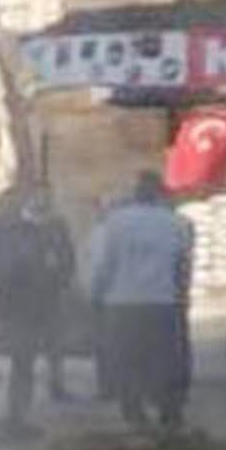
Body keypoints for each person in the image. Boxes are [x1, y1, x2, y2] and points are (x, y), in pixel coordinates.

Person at [89, 171, 194, 430]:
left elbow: (105, 264)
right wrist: (182, 300)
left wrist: (96, 295)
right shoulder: (176, 223)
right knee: (166, 360)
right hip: (162, 302)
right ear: (160, 194)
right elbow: (182, 267)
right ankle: (170, 412)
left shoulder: (116, 223)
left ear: (135, 194)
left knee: (128, 359)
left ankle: (134, 413)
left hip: (122, 303)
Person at [0, 180, 76, 437]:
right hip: (5, 307)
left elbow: (49, 266)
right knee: (8, 364)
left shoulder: (21, 232)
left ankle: (9, 418)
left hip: (17, 308)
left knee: (18, 364)